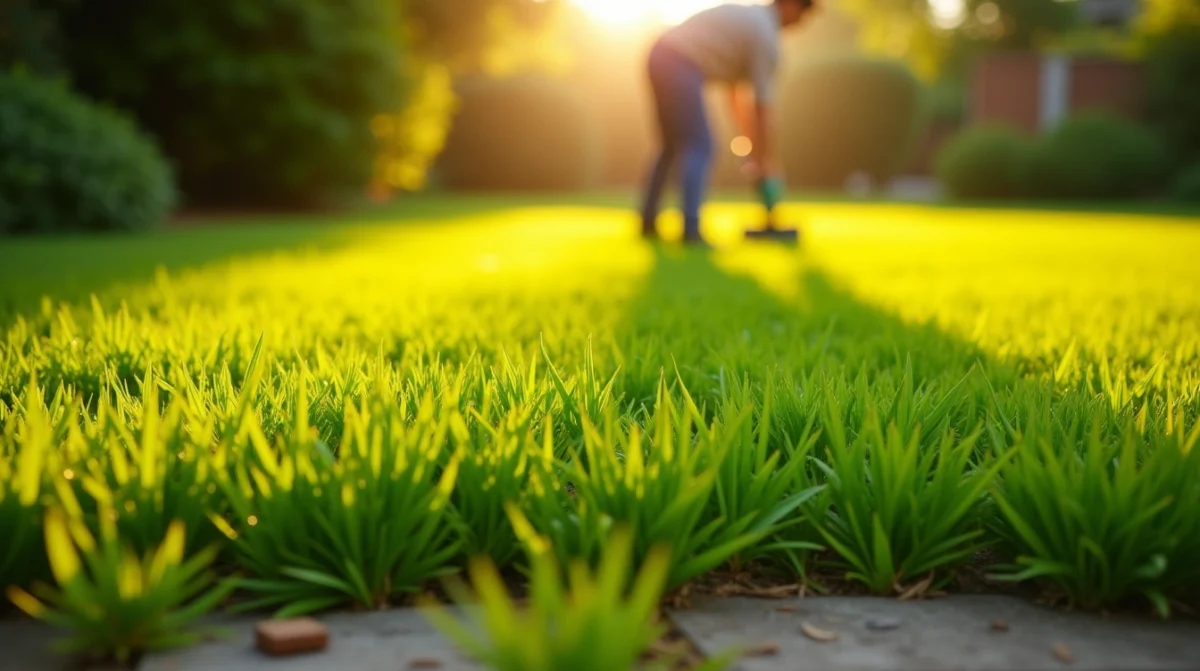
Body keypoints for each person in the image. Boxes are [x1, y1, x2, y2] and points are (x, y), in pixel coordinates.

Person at [639, 0, 815, 245]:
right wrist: (766, 161)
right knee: (700, 145)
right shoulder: (765, 37)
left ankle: (647, 221)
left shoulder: (751, 22)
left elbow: (735, 96)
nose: (801, 24)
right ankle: (690, 229)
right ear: (790, 5)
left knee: (671, 145)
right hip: (678, 61)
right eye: (803, 14)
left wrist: (750, 148)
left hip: (660, 54)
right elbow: (763, 110)